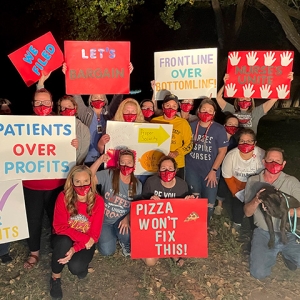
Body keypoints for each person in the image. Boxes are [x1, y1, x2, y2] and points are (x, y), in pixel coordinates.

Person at [23, 88, 77, 269]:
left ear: (52, 104)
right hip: (31, 183)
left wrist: (73, 144)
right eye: (38, 102)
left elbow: (66, 150)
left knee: (58, 218)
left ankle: (60, 248)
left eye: (45, 102)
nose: (42, 106)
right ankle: (34, 252)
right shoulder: (22, 124)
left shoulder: (61, 123)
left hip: (56, 183)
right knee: (33, 219)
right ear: (33, 105)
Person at [61, 63, 134, 167]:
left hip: (106, 158)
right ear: (90, 100)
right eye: (95, 98)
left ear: (105, 100)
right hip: (86, 159)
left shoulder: (109, 112)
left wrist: (126, 76)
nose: (98, 99)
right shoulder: (85, 112)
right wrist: (68, 75)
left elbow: (118, 96)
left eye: (101, 98)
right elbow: (75, 94)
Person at [244, 147, 300, 280]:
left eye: (278, 161)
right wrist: (256, 200)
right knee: (259, 273)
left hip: (289, 232)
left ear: (284, 164)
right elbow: (247, 213)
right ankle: (269, 252)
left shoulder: (291, 182)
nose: (274, 163)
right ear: (264, 162)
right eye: (270, 160)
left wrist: (286, 212)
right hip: (264, 232)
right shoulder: (253, 181)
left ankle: (288, 254)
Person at [50, 165, 104, 299]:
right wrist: (84, 240)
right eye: (78, 182)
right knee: (63, 241)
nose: (82, 185)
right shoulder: (63, 197)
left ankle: (79, 264)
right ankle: (55, 278)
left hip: (85, 242)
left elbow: (94, 235)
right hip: (64, 237)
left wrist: (75, 249)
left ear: (91, 181)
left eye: (86, 181)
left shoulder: (98, 201)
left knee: (76, 269)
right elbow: (59, 227)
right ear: (71, 182)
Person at [142, 156, 194, 267]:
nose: (167, 171)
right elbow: (142, 208)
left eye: (170, 168)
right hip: (155, 226)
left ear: (175, 170)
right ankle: (158, 248)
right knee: (150, 262)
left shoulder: (182, 185)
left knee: (187, 252)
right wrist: (150, 202)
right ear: (158, 170)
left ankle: (170, 250)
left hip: (174, 227)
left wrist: (189, 203)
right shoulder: (151, 182)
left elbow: (186, 214)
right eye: (163, 168)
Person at [90, 149, 142, 257]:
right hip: (105, 220)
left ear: (133, 164)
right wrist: (99, 160)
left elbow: (136, 207)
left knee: (126, 233)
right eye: (123, 162)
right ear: (118, 163)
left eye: (129, 162)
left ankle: (125, 243)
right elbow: (88, 178)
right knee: (107, 251)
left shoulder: (137, 185)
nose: (126, 165)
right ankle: (109, 236)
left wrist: (127, 218)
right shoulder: (109, 174)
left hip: (122, 220)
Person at [185, 98, 228, 222]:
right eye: (203, 109)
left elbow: (222, 151)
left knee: (209, 202)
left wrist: (214, 170)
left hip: (210, 170)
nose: (206, 112)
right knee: (194, 198)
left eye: (210, 110)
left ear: (214, 113)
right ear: (198, 111)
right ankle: (193, 224)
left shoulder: (219, 129)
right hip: (192, 168)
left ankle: (205, 224)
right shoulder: (191, 126)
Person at [216, 73, 293, 134]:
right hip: (232, 143)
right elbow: (218, 98)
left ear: (251, 100)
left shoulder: (257, 112)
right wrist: (226, 83)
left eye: (247, 98)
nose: (244, 99)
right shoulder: (231, 110)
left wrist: (287, 81)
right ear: (237, 99)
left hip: (250, 144)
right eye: (242, 97)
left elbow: (274, 99)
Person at [222, 128, 265, 231]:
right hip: (238, 187)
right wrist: (236, 193)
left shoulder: (262, 154)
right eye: (242, 141)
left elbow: (265, 174)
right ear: (238, 142)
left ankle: (257, 228)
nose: (245, 143)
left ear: (255, 143)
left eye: (249, 141)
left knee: (256, 208)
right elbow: (227, 176)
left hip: (256, 186)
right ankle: (237, 224)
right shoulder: (231, 155)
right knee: (237, 206)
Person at [151, 94, 193, 179]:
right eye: (168, 105)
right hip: (158, 163)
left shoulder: (183, 123)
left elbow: (189, 144)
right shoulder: (155, 121)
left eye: (174, 106)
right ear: (163, 106)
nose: (171, 108)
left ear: (177, 107)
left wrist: (177, 152)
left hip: (177, 164)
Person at [214, 114, 239, 215]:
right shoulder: (216, 137)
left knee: (224, 180)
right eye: (230, 124)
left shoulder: (235, 142)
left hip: (226, 167)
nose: (232, 126)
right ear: (224, 125)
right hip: (214, 165)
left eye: (235, 125)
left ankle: (219, 204)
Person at [57, 95, 90, 165]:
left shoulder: (83, 129)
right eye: (63, 108)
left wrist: (76, 149)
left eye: (69, 106)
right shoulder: (54, 125)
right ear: (60, 110)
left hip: (74, 168)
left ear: (75, 107)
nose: (66, 110)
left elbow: (83, 154)